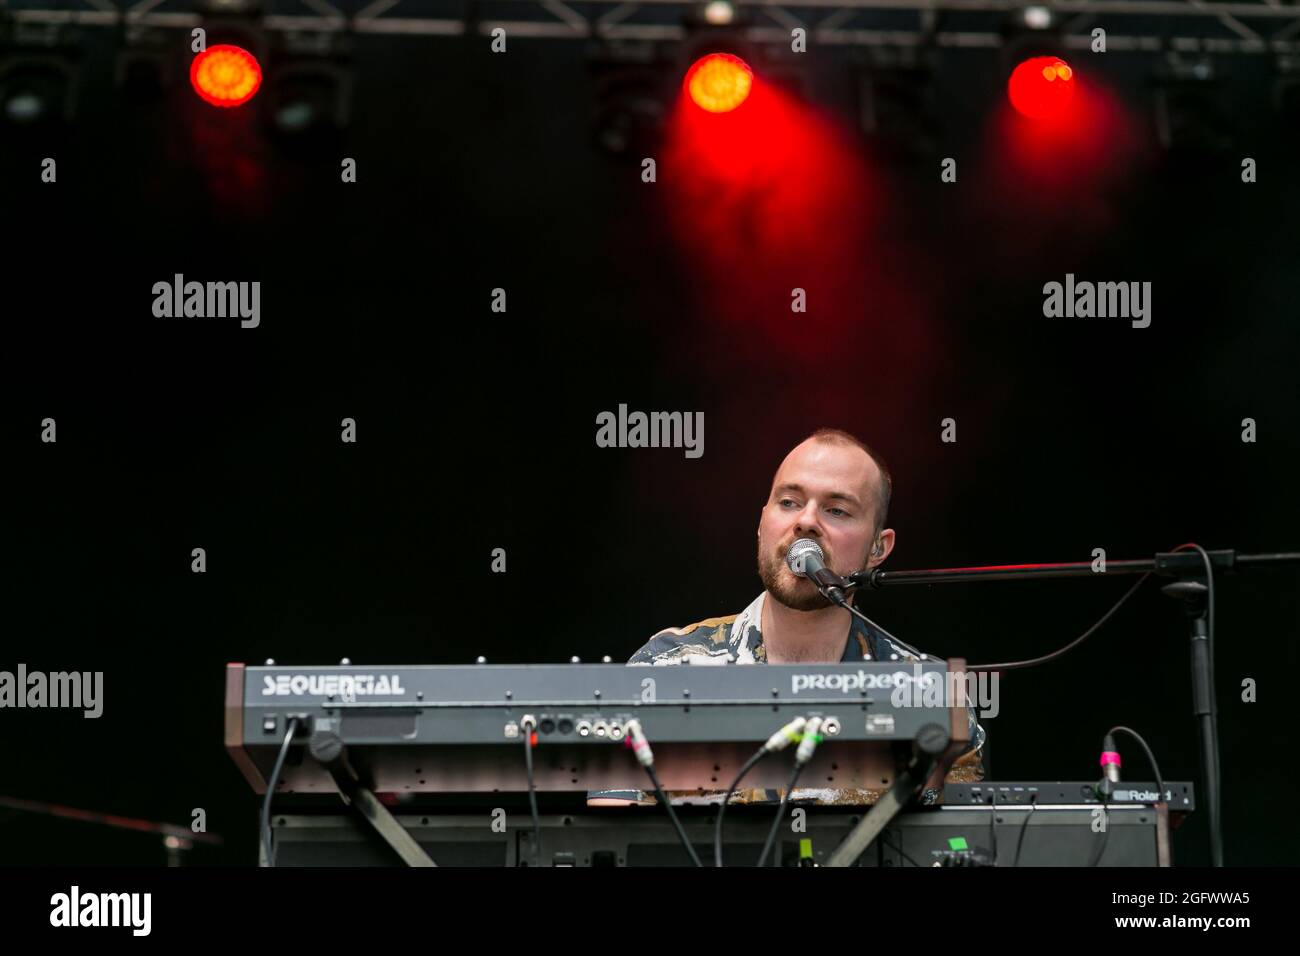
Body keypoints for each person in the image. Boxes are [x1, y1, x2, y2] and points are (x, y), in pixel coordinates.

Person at [588, 427, 986, 807]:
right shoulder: (664, 667)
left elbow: (960, 843)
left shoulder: (926, 695)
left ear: (878, 550)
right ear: (763, 523)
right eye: (789, 502)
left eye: (837, 509)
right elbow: (610, 847)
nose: (806, 521)